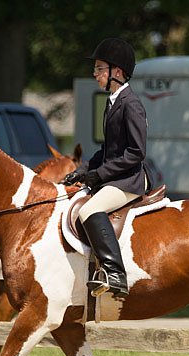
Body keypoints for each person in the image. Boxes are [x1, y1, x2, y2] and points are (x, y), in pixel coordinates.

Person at [63, 38, 151, 297]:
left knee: (89, 209)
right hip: (117, 177)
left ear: (118, 73)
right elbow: (107, 150)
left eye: (100, 68)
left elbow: (136, 152)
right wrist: (82, 170)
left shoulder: (131, 105)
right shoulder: (112, 103)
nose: (95, 74)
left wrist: (98, 175)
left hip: (130, 180)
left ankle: (115, 274)